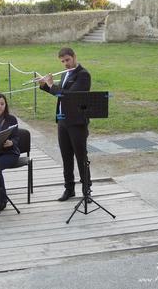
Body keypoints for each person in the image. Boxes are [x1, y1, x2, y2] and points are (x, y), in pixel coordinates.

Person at [39, 47, 91, 201]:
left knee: (81, 157)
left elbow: (69, 96)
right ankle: (69, 189)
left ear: (74, 57)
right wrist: (44, 86)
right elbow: (59, 93)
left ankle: (86, 191)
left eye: (67, 60)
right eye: (62, 61)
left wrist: (51, 85)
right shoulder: (65, 74)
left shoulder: (83, 75)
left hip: (77, 123)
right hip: (62, 121)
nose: (66, 64)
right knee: (66, 157)